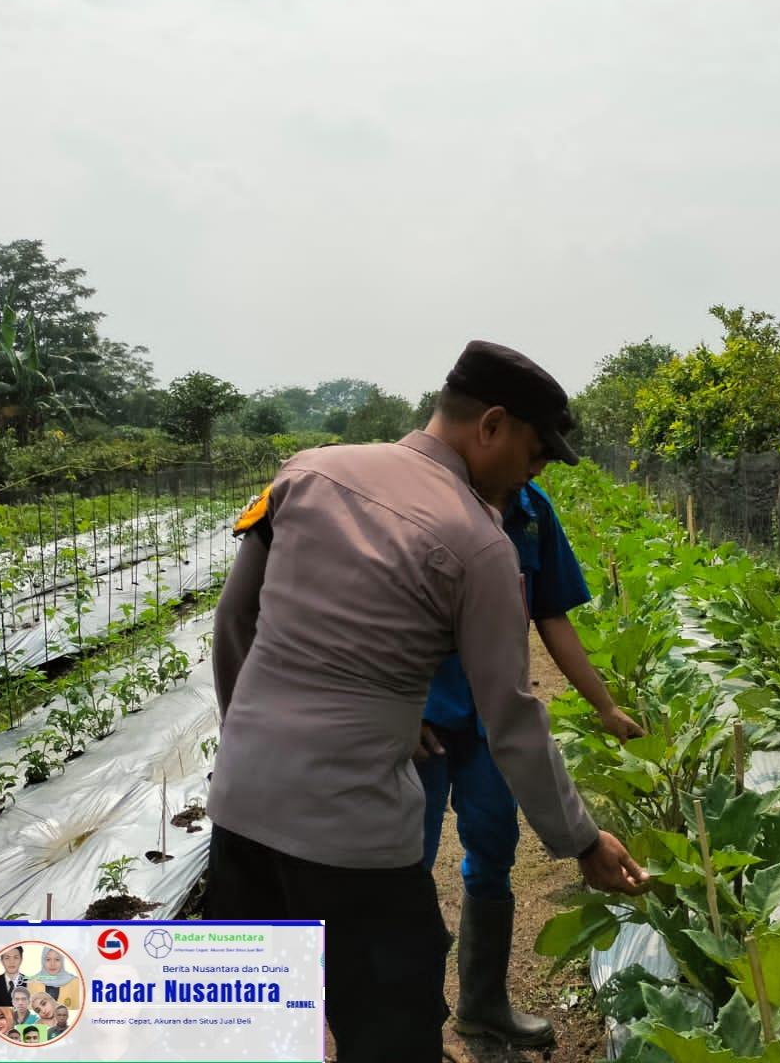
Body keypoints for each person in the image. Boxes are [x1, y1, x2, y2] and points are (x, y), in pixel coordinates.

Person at [207, 341, 647, 1063]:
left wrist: (249, 743)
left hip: (241, 808)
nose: (535, 473)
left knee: (258, 1022)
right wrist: (582, 840)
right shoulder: (477, 542)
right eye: (536, 453)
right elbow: (510, 718)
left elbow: (234, 623)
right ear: (493, 426)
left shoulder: (310, 470)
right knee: (394, 1024)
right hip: (349, 832)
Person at [416, 478, 641, 1047]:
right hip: (418, 723)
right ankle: (412, 1026)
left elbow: (551, 614)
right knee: (403, 870)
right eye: (534, 450)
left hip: (492, 718)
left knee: (493, 850)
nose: (537, 466)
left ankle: (483, 1005)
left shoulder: (531, 508)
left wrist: (606, 706)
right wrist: (393, 703)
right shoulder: (419, 498)